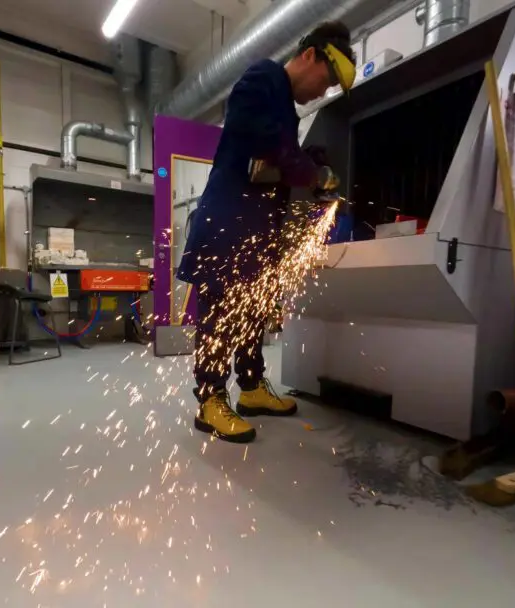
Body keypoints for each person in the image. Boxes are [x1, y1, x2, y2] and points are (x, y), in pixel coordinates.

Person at [177, 21, 356, 443]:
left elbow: (278, 153)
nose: (322, 91)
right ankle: (210, 401)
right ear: (311, 56)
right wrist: (310, 171)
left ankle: (252, 387)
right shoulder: (262, 78)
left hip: (254, 229)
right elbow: (263, 140)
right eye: (326, 80)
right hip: (227, 223)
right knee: (222, 317)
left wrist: (308, 157)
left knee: (253, 311)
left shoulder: (283, 104)